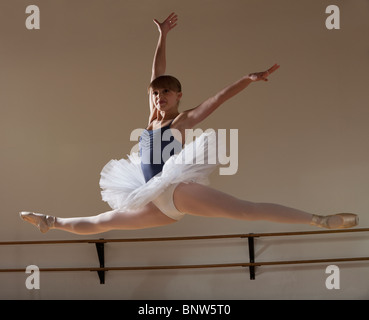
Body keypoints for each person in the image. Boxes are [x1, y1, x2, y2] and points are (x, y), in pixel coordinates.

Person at [20, 13, 358, 234]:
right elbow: (155, 74)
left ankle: (319, 219)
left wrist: (247, 79)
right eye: (155, 94)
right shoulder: (151, 119)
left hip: (175, 190)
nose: (159, 97)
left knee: (244, 211)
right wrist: (162, 35)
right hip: (154, 200)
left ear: (178, 96)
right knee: (103, 222)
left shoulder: (181, 120)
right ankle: (51, 221)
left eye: (166, 92)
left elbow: (217, 99)